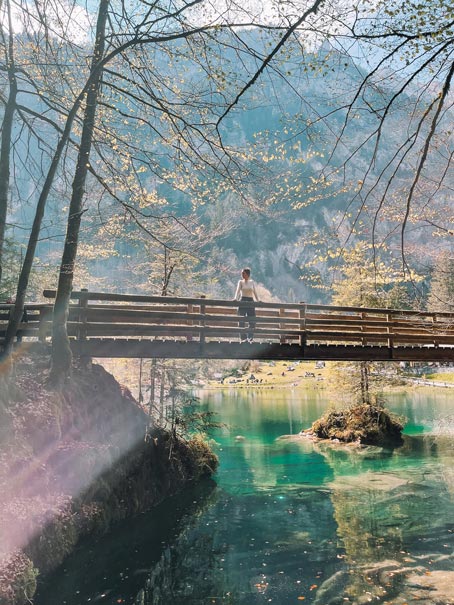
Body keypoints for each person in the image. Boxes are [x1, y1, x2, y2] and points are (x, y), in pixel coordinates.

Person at [233, 267, 260, 343]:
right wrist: (235, 298)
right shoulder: (240, 282)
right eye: (242, 273)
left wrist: (258, 300)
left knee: (252, 320)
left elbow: (254, 292)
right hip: (243, 300)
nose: (242, 274)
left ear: (248, 274)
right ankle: (243, 338)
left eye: (243, 273)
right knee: (241, 320)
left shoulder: (252, 282)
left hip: (251, 301)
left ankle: (250, 338)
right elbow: (238, 291)